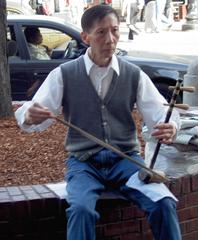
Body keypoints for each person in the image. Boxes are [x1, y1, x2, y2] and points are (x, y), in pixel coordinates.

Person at [15, 5, 182, 240]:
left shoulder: (134, 74)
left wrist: (170, 127)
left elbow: (162, 114)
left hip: (126, 160)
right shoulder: (65, 74)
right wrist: (30, 116)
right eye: (101, 32)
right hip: (84, 163)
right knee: (81, 210)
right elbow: (29, 113)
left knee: (163, 202)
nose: (110, 39)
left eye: (115, 31)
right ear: (85, 37)